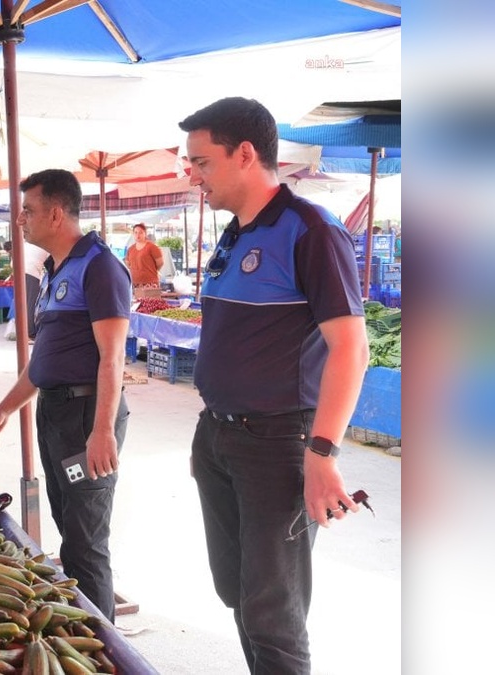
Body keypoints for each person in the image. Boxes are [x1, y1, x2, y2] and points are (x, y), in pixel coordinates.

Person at [179, 97, 369, 674]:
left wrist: (323, 452)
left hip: (278, 444)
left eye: (202, 161)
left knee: (273, 609)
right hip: (219, 437)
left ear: (245, 153)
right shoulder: (234, 234)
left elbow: (351, 348)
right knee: (239, 592)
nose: (193, 174)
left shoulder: (309, 229)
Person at [0, 169, 131, 622]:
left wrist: (102, 431)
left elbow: (113, 357)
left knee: (86, 541)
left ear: (56, 213)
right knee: (70, 531)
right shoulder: (54, 269)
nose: (21, 220)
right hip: (57, 413)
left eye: (28, 210)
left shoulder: (100, 266)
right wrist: (4, 409)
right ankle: (83, 629)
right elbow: (45, 361)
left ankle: (105, 648)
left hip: (87, 417)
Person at [124, 223, 164, 291]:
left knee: (151, 301)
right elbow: (127, 263)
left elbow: (160, 263)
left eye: (140, 232)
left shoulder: (152, 247)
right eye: (135, 233)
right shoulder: (130, 249)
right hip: (135, 284)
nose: (138, 235)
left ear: (145, 233)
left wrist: (151, 270)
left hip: (150, 283)